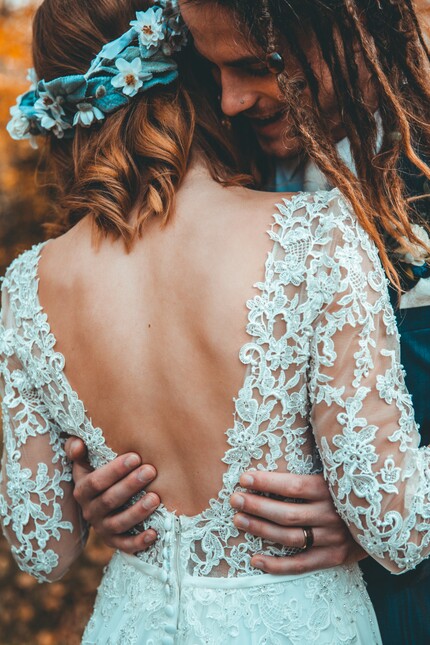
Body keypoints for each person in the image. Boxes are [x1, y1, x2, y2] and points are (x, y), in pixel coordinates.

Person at [1, 0, 430, 643]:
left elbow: (44, 549)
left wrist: (362, 511)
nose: (232, 99)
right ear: (186, 68)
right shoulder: (312, 228)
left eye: (257, 65)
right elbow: (398, 522)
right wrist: (89, 494)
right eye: (217, 69)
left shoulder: (30, 284)